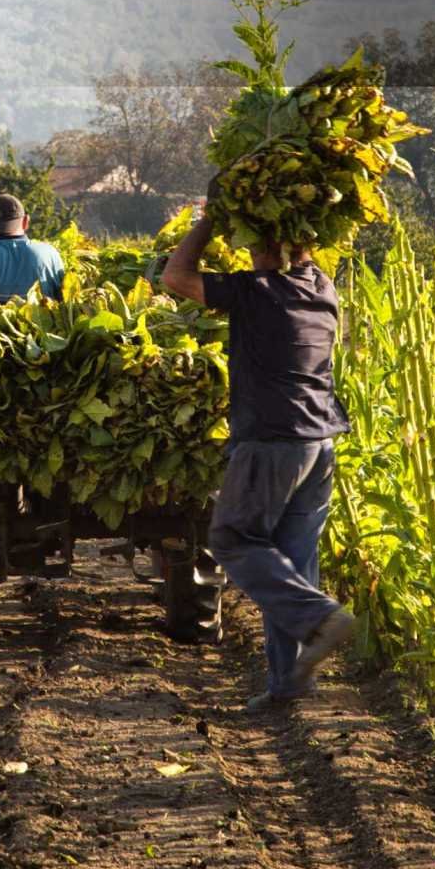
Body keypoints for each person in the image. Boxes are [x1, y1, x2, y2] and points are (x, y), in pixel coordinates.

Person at [160, 191, 357, 708]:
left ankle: (320, 618)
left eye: (249, 244)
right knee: (291, 560)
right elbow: (300, 256)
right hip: (319, 442)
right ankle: (288, 685)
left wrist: (208, 221)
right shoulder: (321, 288)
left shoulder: (256, 292)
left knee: (232, 540)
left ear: (262, 247)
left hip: (271, 440)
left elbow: (175, 278)